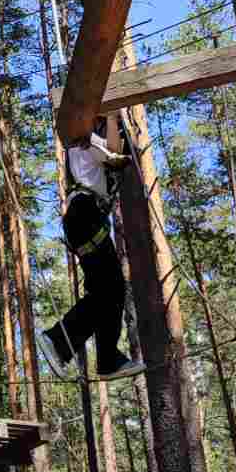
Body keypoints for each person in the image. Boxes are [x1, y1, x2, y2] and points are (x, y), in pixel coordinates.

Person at [38, 115, 144, 382]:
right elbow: (116, 152)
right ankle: (59, 340)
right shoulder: (87, 142)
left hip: (85, 216)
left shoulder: (86, 143)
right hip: (85, 213)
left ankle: (106, 358)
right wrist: (111, 112)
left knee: (109, 290)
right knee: (110, 288)